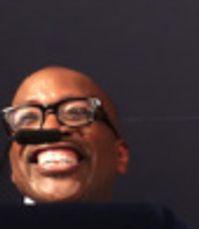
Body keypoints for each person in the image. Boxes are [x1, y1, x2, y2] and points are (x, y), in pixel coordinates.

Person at [5, 66, 129, 203]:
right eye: (28, 118)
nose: (50, 127)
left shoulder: (151, 223)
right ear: (12, 163)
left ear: (120, 155)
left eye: (76, 113)